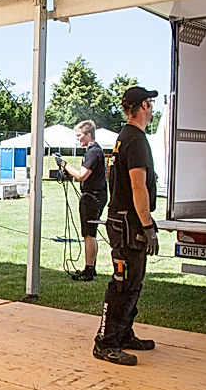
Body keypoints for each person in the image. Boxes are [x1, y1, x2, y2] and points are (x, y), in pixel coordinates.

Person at [93, 86, 161, 366]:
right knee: (123, 283)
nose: (153, 109)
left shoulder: (127, 137)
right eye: (151, 104)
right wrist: (147, 225)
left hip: (124, 220)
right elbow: (138, 185)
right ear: (144, 105)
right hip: (128, 223)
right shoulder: (135, 140)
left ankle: (123, 334)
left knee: (133, 281)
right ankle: (105, 343)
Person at [54, 119, 108, 281]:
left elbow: (81, 175)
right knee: (91, 233)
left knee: (88, 234)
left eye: (79, 135)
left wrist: (64, 165)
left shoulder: (93, 152)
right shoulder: (95, 151)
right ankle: (91, 266)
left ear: (88, 134)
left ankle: (89, 269)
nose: (77, 139)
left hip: (92, 197)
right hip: (96, 195)